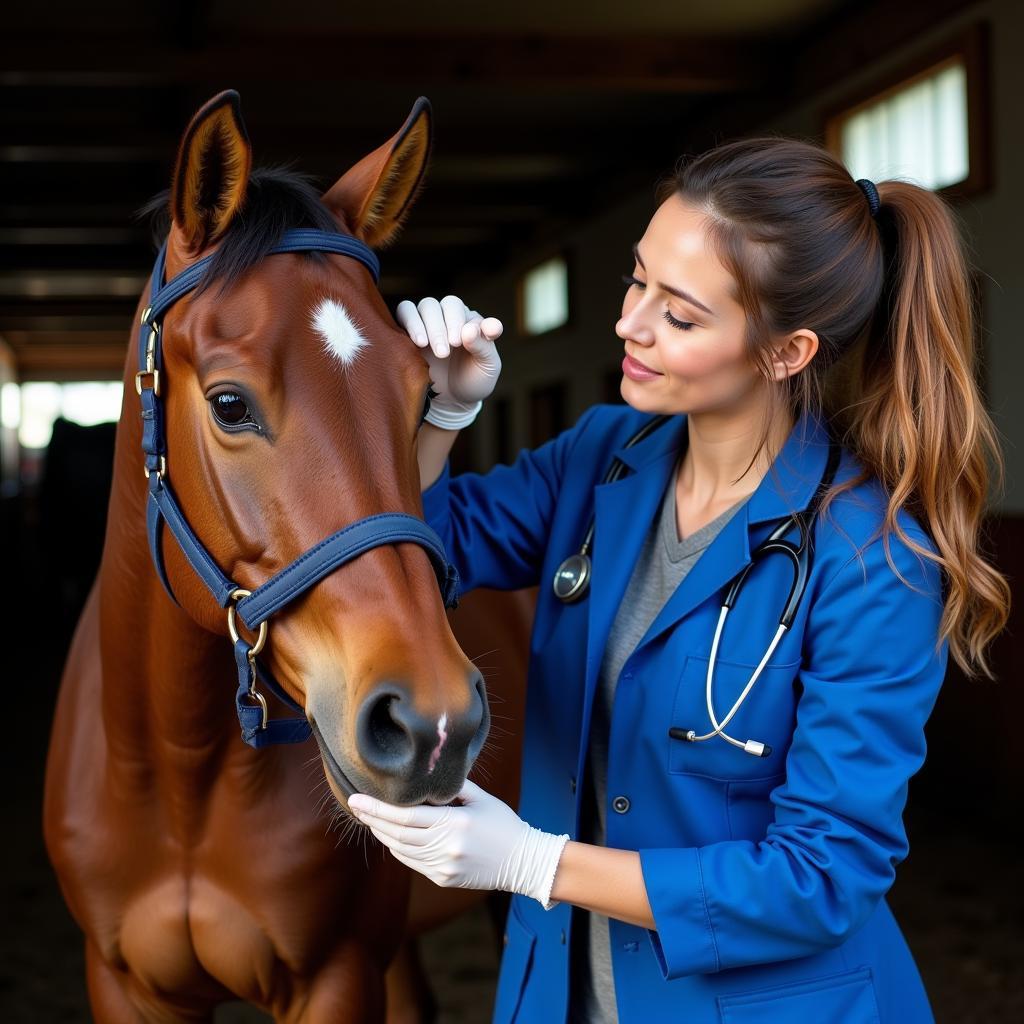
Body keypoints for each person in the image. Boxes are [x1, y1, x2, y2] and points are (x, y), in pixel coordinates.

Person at [346, 136, 1010, 1024]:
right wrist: (445, 411)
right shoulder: (599, 457)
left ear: (785, 352)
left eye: (682, 315)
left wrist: (534, 865)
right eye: (636, 280)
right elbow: (424, 549)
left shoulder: (872, 559)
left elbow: (820, 878)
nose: (630, 323)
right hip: (560, 991)